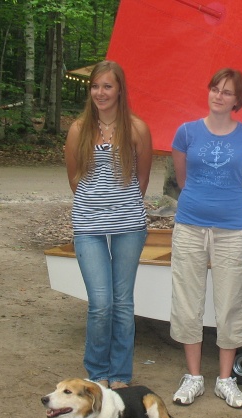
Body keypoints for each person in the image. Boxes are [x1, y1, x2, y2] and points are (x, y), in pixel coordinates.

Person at [169, 68, 242, 409]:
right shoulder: (186, 133)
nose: (219, 95)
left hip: (233, 228)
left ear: (238, 100)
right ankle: (193, 376)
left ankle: (225, 379)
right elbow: (183, 179)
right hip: (191, 225)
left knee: (231, 302)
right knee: (187, 299)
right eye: (215, 89)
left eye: (227, 92)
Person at [65, 60, 153, 390]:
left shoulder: (137, 129)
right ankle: (96, 371)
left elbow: (142, 178)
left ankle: (119, 375)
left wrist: (120, 206)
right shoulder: (78, 130)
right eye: (95, 86)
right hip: (88, 228)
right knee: (101, 303)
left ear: (119, 90)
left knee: (122, 302)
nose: (100, 92)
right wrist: (96, 206)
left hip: (129, 225)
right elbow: (75, 177)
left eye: (107, 86)